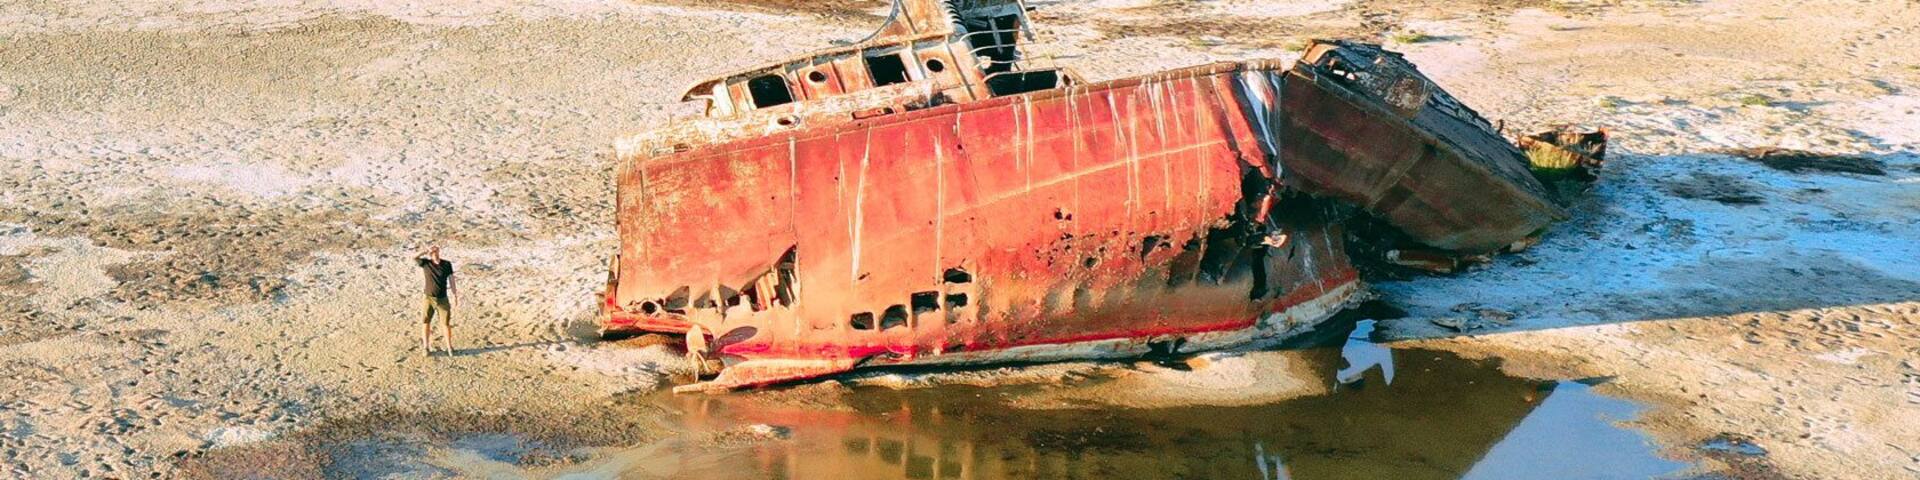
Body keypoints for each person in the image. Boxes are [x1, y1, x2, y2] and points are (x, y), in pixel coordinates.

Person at [415, 245, 457, 356]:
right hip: (428, 298)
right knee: (425, 322)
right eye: (432, 250)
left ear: (439, 250)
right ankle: (426, 347)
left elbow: (452, 280)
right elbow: (414, 257)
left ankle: (449, 347)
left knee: (446, 324)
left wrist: (455, 295)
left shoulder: (447, 264)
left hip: (443, 299)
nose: (434, 251)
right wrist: (425, 251)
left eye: (436, 249)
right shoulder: (426, 263)